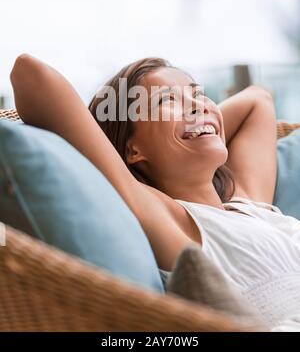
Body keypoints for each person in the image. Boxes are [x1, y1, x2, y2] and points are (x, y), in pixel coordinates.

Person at [10, 54, 300, 331]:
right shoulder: (173, 223)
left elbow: (258, 100)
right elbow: (29, 74)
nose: (198, 105)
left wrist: (199, 124)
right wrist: (190, 128)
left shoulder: (250, 203)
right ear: (132, 149)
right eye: (166, 100)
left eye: (198, 94)